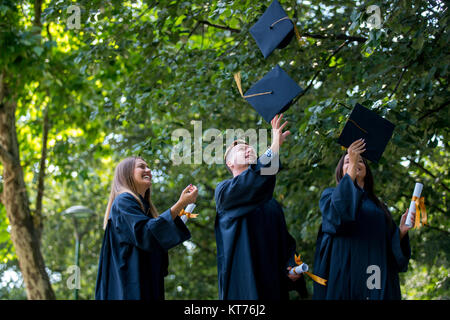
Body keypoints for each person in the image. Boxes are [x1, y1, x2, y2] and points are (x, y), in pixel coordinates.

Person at [214, 114, 307, 300]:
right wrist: (274, 147)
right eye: (241, 149)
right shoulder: (224, 192)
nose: (248, 149)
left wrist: (292, 267)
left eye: (250, 147)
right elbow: (250, 183)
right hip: (243, 283)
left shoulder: (271, 204)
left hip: (273, 285)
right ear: (229, 163)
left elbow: (287, 244)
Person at [313, 139, 413, 300]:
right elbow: (339, 219)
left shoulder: (379, 207)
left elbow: (389, 250)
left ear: (367, 171)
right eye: (348, 161)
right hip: (345, 273)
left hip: (374, 276)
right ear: (341, 171)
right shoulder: (330, 196)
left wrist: (400, 232)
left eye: (360, 161)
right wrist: (352, 169)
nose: (354, 162)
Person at [95, 156, 198, 300]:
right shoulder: (123, 201)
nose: (148, 170)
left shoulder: (144, 209)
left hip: (146, 286)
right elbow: (146, 234)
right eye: (141, 166)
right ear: (127, 174)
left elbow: (154, 242)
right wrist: (180, 204)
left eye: (148, 166)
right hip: (129, 289)